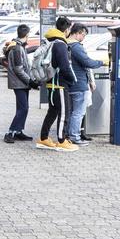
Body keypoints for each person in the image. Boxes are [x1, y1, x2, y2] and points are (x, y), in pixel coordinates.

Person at [36, 16, 79, 152]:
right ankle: (61, 141)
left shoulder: (50, 41)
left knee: (52, 111)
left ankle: (43, 139)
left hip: (51, 83)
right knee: (64, 113)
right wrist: (72, 79)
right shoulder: (60, 44)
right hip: (59, 84)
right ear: (67, 29)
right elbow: (65, 67)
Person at [66, 23, 106, 145]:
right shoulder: (76, 47)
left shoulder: (65, 44)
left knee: (73, 112)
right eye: (83, 35)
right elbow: (87, 62)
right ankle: (74, 136)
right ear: (77, 33)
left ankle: (69, 134)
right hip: (79, 84)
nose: (83, 38)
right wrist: (102, 62)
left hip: (70, 84)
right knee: (78, 113)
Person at [3, 24, 39, 143]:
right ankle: (11, 132)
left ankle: (18, 131)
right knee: (23, 108)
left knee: (23, 108)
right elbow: (18, 69)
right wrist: (30, 81)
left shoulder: (18, 46)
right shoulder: (17, 48)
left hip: (22, 83)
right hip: (19, 83)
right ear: (27, 34)